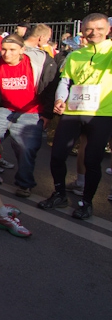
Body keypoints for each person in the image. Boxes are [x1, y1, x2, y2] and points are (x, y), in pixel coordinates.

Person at [40, 13, 112, 219]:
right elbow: (66, 81)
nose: (94, 33)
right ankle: (60, 194)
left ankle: (86, 202)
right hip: (73, 111)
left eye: (99, 28)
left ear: (108, 30)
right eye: (90, 29)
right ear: (83, 31)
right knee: (57, 155)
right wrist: (59, 99)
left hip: (101, 114)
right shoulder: (75, 55)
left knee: (92, 159)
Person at [0, 34, 57, 197]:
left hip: (32, 111)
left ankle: (24, 184)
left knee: (26, 148)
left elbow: (50, 88)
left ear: (22, 49)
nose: (7, 54)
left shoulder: (39, 63)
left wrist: (47, 114)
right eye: (4, 50)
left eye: (12, 50)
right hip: (5, 109)